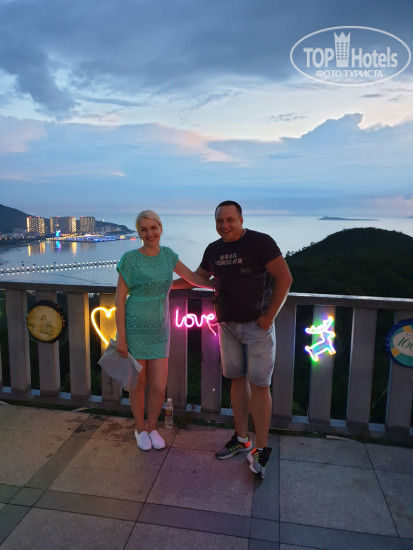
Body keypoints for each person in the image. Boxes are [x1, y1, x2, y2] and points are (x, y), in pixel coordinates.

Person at [195, 201, 292, 479]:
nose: (224, 225)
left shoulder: (260, 242)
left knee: (260, 385)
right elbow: (198, 278)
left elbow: (285, 278)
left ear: (240, 219)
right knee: (236, 380)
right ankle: (241, 439)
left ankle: (261, 448)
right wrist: (165, 284)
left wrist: (269, 316)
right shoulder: (213, 249)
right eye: (219, 221)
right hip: (227, 326)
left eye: (230, 220)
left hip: (257, 326)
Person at [115, 210, 212, 452]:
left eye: (153, 228)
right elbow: (119, 299)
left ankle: (152, 427)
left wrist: (221, 285)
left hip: (160, 330)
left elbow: (192, 278)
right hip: (134, 329)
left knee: (159, 385)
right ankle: (140, 429)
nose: (149, 233)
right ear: (139, 233)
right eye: (144, 229)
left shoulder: (168, 255)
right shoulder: (130, 258)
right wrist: (122, 337)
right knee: (138, 383)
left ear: (160, 228)